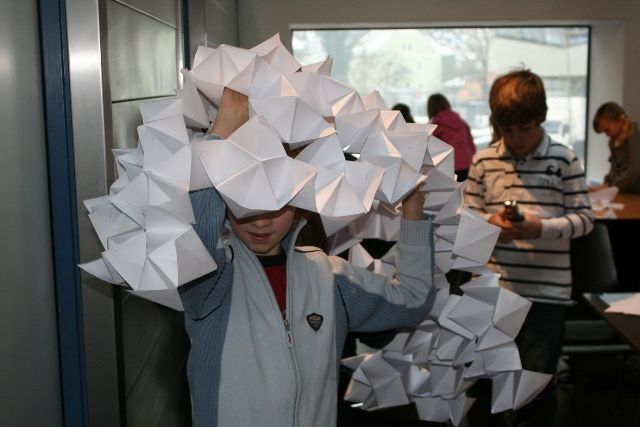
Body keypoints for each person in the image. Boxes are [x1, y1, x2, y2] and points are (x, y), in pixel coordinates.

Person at [179, 88, 436, 427]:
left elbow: (413, 300)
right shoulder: (212, 283)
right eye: (245, 203)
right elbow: (193, 241)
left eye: (278, 203)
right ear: (224, 204)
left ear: (301, 202)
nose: (260, 221)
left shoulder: (329, 279)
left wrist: (414, 212)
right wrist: (222, 134)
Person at [464, 70, 594, 426]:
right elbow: (466, 215)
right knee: (483, 384)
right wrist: (490, 224)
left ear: (541, 117)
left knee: (535, 390)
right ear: (496, 124)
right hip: (492, 293)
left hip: (545, 297)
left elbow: (585, 220)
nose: (517, 139)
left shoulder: (564, 159)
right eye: (508, 130)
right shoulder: (483, 160)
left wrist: (540, 228)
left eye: (525, 129)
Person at [591, 102, 640, 194]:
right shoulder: (614, 141)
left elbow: (635, 169)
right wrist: (607, 182)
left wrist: (612, 186)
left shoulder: (634, 135)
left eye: (607, 130)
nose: (606, 135)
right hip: (623, 190)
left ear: (620, 121)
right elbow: (614, 168)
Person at [427, 93, 476, 181]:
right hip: (468, 163)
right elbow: (471, 145)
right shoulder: (461, 121)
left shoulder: (434, 126)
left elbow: (430, 150)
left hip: (449, 167)